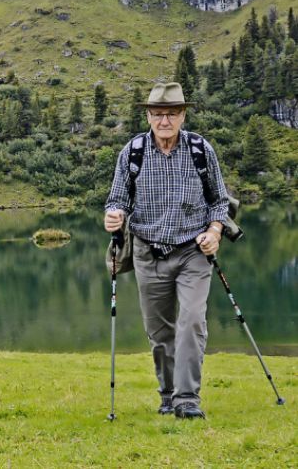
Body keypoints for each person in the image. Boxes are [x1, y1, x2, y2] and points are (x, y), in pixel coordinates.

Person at [104, 82, 229, 419]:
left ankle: (187, 399)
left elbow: (219, 201)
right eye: (158, 113)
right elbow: (117, 200)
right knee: (160, 333)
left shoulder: (202, 150)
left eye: (171, 113)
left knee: (191, 321)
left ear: (182, 114)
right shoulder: (133, 152)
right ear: (148, 115)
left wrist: (215, 231)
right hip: (148, 252)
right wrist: (113, 217)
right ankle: (167, 394)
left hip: (193, 250)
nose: (164, 120)